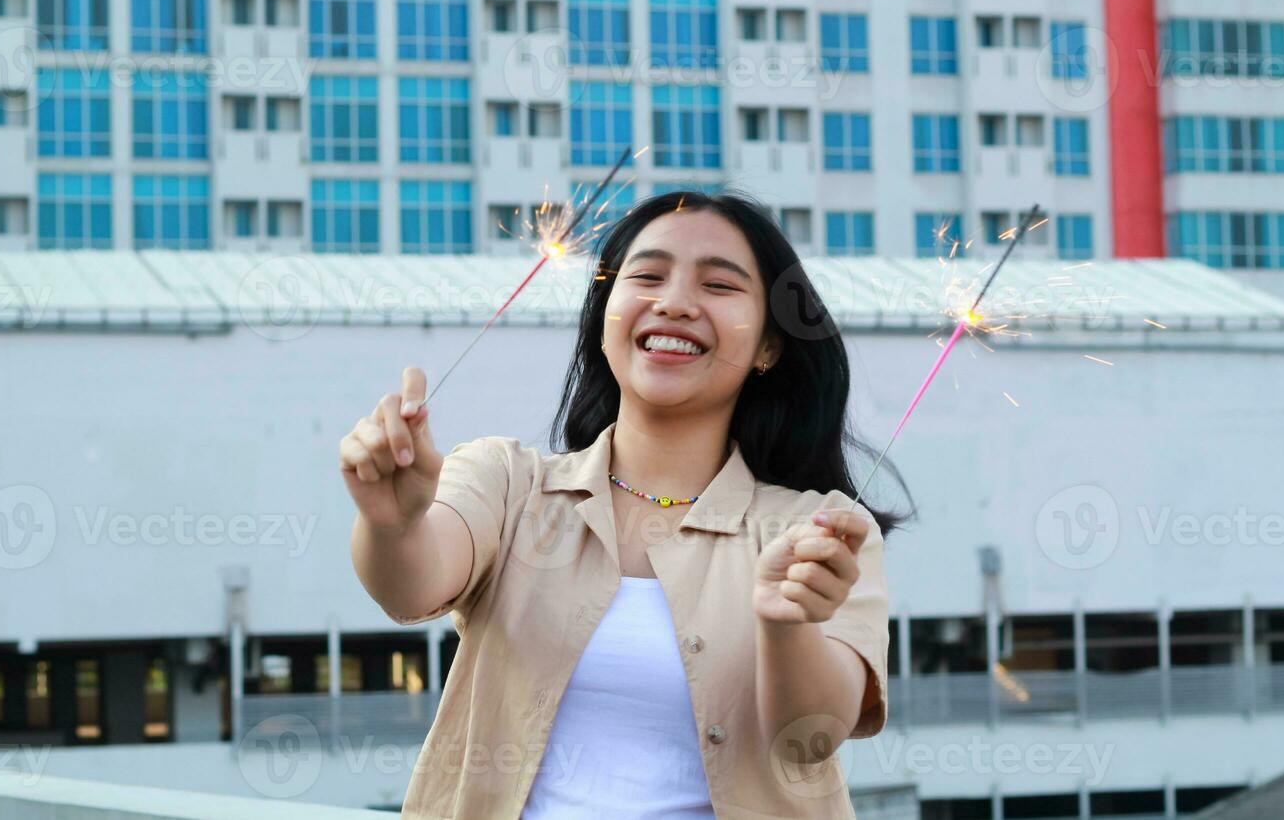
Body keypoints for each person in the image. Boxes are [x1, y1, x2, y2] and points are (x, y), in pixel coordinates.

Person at [341, 190, 912, 819]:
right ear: (605, 317)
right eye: (646, 276)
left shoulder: (818, 530)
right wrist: (392, 521)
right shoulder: (507, 483)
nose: (674, 302)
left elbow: (813, 733)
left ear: (769, 347)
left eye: (720, 286)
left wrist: (787, 625)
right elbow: (410, 584)